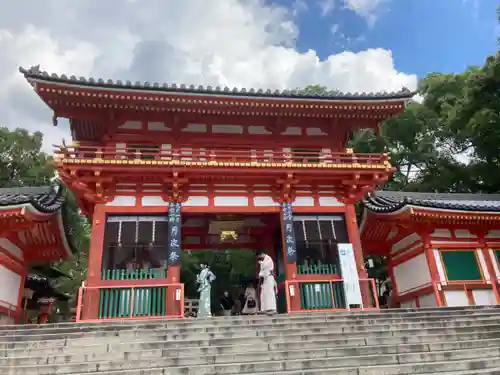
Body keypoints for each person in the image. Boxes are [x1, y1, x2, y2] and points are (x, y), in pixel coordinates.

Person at [257, 251, 277, 315]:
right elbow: (262, 271)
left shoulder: (268, 259)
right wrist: (259, 275)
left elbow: (266, 267)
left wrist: (261, 263)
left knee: (270, 293)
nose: (259, 258)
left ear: (261, 254)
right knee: (263, 294)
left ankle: (273, 309)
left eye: (259, 256)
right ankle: (264, 309)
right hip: (265, 279)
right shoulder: (263, 261)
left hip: (269, 277)